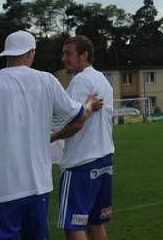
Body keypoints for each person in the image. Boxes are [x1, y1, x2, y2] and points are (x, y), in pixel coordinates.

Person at [0, 30, 103, 240]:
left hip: (2, 187)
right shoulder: (47, 80)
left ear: (7, 55)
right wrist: (90, 103)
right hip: (38, 186)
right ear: (31, 54)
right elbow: (78, 113)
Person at [51, 35, 115, 240]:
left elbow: (77, 122)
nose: (63, 59)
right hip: (104, 158)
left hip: (81, 161)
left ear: (84, 55)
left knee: (73, 225)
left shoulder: (81, 80)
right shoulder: (102, 79)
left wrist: (52, 137)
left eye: (68, 53)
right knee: (95, 224)